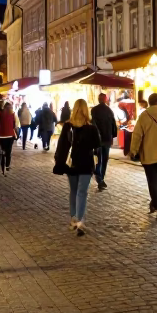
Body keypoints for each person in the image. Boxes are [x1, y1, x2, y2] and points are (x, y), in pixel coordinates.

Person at [54, 99, 101, 235]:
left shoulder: (68, 126)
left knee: (73, 191)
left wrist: (59, 161)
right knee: (82, 192)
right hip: (86, 163)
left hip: (71, 163)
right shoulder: (91, 126)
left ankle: (73, 218)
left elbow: (62, 146)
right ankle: (80, 221)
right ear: (86, 110)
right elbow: (97, 146)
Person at [91, 93, 119, 191]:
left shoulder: (94, 110)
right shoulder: (109, 110)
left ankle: (99, 178)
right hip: (107, 138)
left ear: (99, 99)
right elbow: (113, 125)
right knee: (104, 159)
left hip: (97, 139)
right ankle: (101, 177)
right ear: (106, 99)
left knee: (98, 159)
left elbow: (92, 124)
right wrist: (113, 136)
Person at [0, 102, 18, 173]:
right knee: (9, 151)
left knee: (1, 150)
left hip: (0, 135)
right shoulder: (12, 114)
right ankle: (7, 166)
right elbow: (14, 126)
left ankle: (1, 164)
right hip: (10, 135)